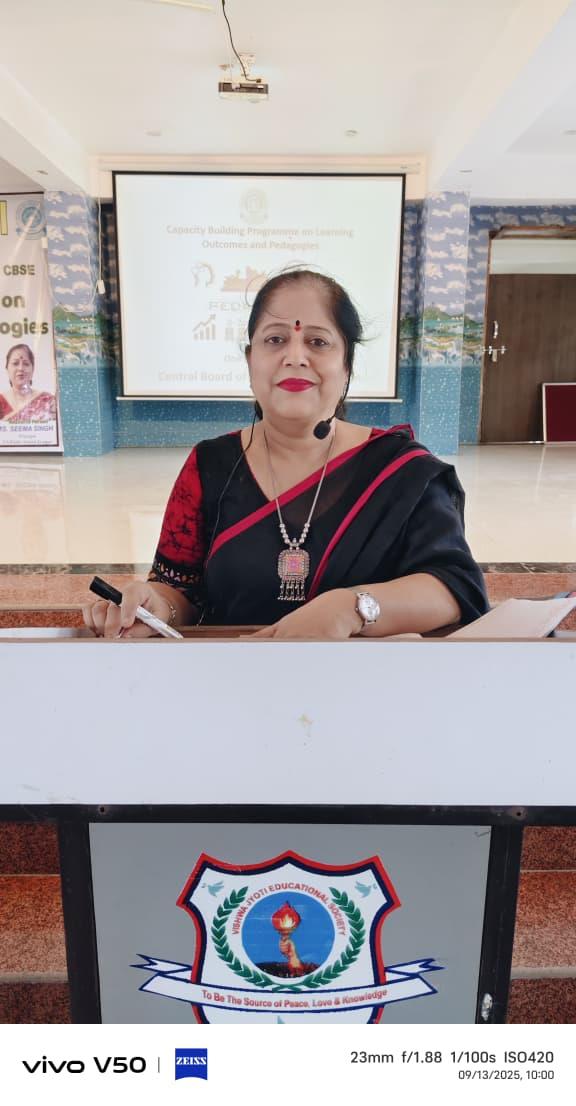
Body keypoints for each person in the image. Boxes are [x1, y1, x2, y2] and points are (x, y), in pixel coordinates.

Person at [83, 269, 488, 640]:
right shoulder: (209, 466)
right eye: (275, 340)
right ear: (250, 361)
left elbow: (456, 588)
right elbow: (180, 592)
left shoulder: (401, 470)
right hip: (234, 680)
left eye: (318, 341)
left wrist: (349, 609)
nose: (295, 356)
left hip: (368, 686)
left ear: (347, 365)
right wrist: (156, 607)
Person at [1, 343, 57, 423]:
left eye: (26, 364)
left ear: (33, 369)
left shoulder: (48, 401)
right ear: (7, 369)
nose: (20, 368)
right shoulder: (1, 402)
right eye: (15, 363)